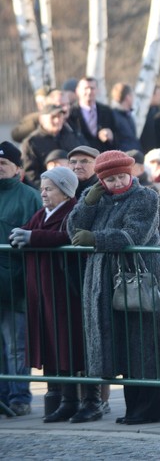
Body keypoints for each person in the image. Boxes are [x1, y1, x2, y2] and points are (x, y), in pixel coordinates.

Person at [67, 151, 160, 424]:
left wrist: (96, 238)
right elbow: (74, 228)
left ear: (132, 173)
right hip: (105, 280)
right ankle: (132, 409)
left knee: (142, 343)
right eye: (110, 179)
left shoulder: (146, 197)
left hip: (138, 277)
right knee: (124, 346)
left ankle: (149, 409)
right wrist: (88, 203)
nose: (117, 183)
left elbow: (134, 234)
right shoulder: (98, 198)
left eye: (122, 177)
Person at [9, 167, 83, 422]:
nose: (43, 193)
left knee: (66, 345)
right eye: (42, 188)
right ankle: (60, 398)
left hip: (62, 291)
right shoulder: (43, 213)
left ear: (64, 191)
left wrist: (32, 237)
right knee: (50, 344)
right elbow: (27, 231)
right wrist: (18, 236)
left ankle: (72, 400)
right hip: (40, 291)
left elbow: (68, 236)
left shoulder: (72, 212)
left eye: (49, 188)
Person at [0, 141, 42, 417]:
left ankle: (19, 396)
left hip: (15, 284)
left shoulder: (30, 196)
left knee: (16, 346)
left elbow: (37, 234)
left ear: (17, 168)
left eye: (3, 164)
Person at [21, 103, 84, 187]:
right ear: (41, 119)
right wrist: (47, 189)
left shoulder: (71, 136)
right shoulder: (31, 142)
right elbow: (30, 175)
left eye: (60, 116)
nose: (57, 120)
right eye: (53, 117)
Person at [67, 77, 119, 152]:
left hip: (102, 156)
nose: (89, 91)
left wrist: (111, 136)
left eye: (92, 88)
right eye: (86, 88)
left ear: (97, 90)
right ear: (77, 91)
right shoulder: (71, 113)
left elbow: (117, 135)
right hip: (81, 155)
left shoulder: (106, 111)